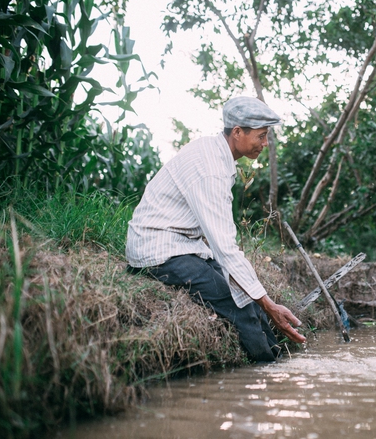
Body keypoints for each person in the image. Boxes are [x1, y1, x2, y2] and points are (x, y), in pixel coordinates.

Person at [125, 96, 306, 363]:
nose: (265, 143)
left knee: (248, 300)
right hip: (158, 250)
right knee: (241, 307)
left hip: (182, 246)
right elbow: (224, 248)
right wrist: (269, 304)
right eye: (261, 136)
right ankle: (269, 373)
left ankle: (280, 360)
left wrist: (262, 303)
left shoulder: (216, 154)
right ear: (237, 133)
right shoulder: (211, 169)